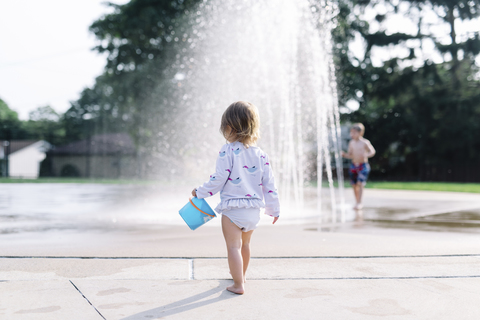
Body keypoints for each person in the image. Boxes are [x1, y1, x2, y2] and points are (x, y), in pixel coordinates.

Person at [191, 101, 280, 295]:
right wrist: (274, 209)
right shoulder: (261, 154)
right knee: (245, 245)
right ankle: (242, 275)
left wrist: (200, 192)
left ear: (229, 128)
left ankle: (238, 285)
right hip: (253, 210)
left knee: (233, 247)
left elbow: (219, 178)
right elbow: (269, 184)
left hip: (233, 209)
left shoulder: (227, 150)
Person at [341, 123, 376, 210]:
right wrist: (344, 155)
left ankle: (359, 202)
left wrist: (366, 155)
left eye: (354, 133)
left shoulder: (365, 142)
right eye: (351, 133)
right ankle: (357, 202)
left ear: (360, 133)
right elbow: (351, 155)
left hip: (363, 165)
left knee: (360, 183)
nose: (351, 135)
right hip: (354, 165)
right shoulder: (351, 143)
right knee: (354, 185)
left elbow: (372, 151)